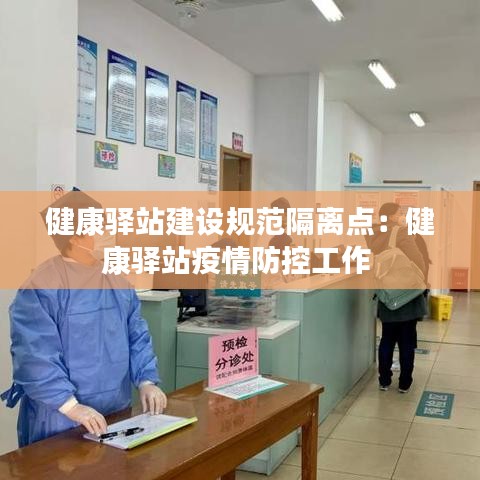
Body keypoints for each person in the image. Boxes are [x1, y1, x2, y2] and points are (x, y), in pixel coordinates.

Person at [1, 191, 167, 447]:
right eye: (98, 225)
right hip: (59, 419)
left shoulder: (116, 279)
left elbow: (136, 335)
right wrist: (71, 407)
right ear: (74, 236)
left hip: (114, 412)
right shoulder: (42, 287)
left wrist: (146, 381)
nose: (107, 232)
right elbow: (35, 356)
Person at [367, 202, 428, 393]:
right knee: (407, 341)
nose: (402, 216)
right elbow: (418, 260)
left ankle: (384, 380)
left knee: (387, 339)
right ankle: (404, 383)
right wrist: (422, 280)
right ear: (392, 216)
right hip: (406, 295)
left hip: (387, 294)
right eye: (400, 212)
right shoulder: (400, 232)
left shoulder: (373, 233)